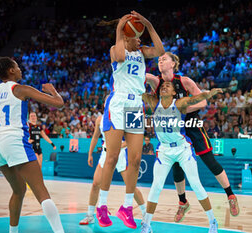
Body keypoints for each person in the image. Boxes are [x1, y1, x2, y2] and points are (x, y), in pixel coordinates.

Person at [146, 52, 239, 223]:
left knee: (210, 161)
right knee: (176, 167)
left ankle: (230, 195)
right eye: (159, 59)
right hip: (174, 130)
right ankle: (182, 202)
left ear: (173, 63)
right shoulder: (157, 82)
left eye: (164, 58)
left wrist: (182, 109)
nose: (160, 60)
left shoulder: (185, 81)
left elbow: (203, 102)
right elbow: (143, 75)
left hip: (191, 126)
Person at [97, 11, 164, 229]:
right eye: (137, 36)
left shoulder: (143, 52)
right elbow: (118, 57)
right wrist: (119, 30)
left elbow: (161, 51)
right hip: (118, 104)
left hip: (136, 105)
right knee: (113, 157)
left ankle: (126, 208)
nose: (140, 40)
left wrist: (149, 25)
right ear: (127, 37)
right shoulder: (116, 49)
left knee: (135, 160)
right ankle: (102, 206)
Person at [0, 57, 64, 233]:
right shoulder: (20, 89)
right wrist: (53, 91)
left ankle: (13, 232)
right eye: (17, 67)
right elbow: (59, 104)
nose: (20, 70)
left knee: (19, 190)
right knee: (41, 191)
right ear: (11, 71)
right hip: (13, 139)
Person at [140, 81, 221, 233]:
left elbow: (196, 99)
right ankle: (146, 225)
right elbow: (139, 92)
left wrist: (210, 93)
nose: (164, 87)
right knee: (156, 186)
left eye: (168, 86)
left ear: (173, 93)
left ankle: (212, 222)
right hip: (164, 150)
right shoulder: (153, 102)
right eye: (162, 86)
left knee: (196, 185)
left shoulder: (179, 104)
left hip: (182, 149)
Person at [79, 108, 146, 226]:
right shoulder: (100, 119)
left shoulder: (123, 118)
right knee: (95, 184)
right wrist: (90, 153)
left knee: (132, 187)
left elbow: (131, 140)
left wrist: (120, 145)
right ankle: (90, 216)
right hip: (105, 153)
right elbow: (95, 137)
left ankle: (146, 215)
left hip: (121, 154)